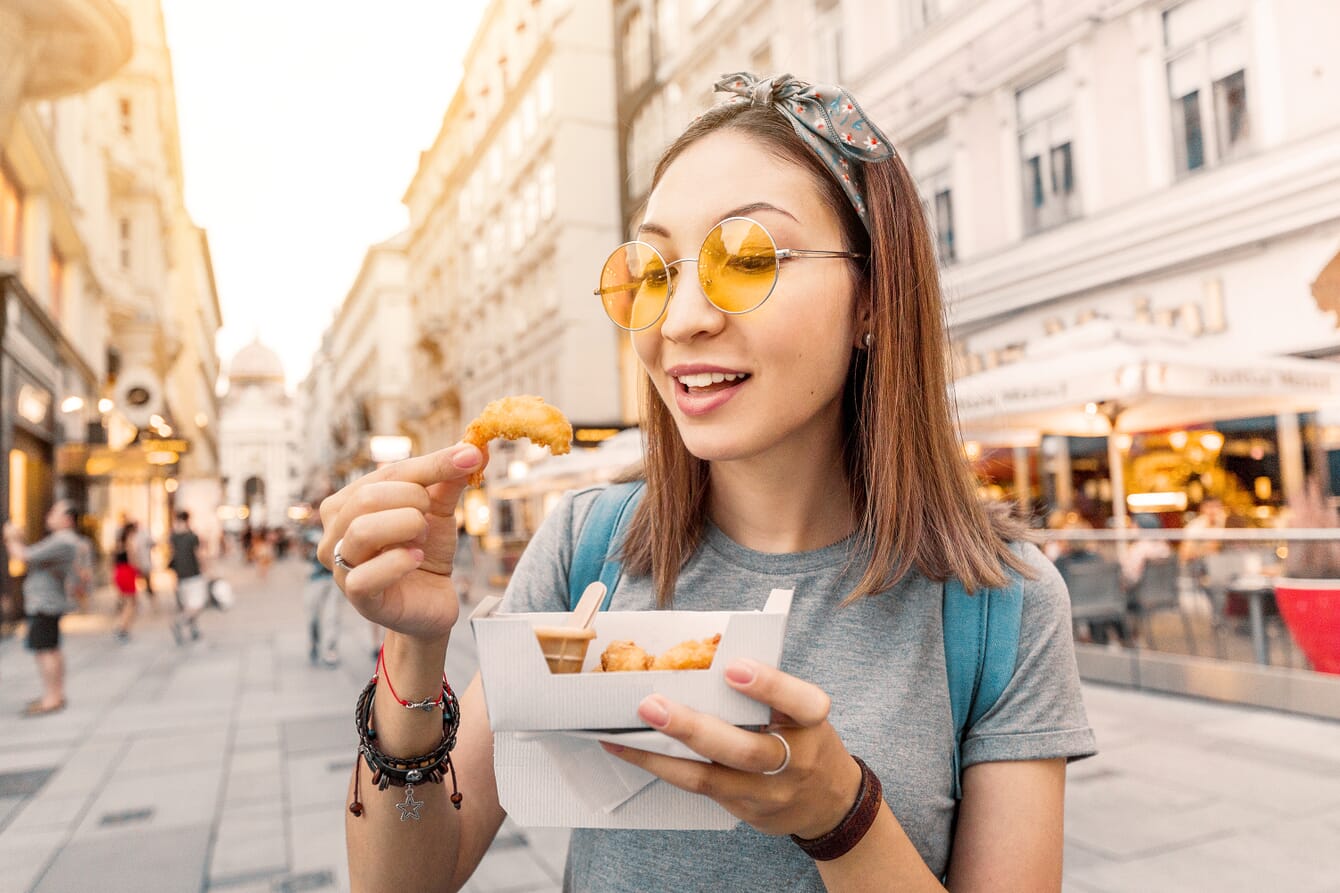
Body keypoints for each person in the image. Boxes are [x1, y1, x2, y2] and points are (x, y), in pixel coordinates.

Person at [321, 72, 1095, 890]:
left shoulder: (1002, 605)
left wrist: (841, 814)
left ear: (871, 294)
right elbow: (405, 881)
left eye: (748, 257)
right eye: (653, 271)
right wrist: (414, 647)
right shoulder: (589, 547)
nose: (682, 318)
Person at [3, 500, 82, 716]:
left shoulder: (63, 541)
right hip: (48, 602)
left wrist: (11, 536)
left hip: (44, 604)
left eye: (55, 512)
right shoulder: (63, 541)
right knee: (51, 649)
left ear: (67, 519)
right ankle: (55, 694)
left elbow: (23, 556)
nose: (49, 515)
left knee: (45, 651)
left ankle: (52, 698)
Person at [302, 517, 342, 667]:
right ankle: (314, 643)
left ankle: (330, 649)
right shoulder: (310, 532)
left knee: (332, 615)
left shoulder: (338, 528)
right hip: (315, 578)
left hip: (334, 578)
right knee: (313, 616)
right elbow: (304, 553)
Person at [168, 509, 208, 644]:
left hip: (180, 576)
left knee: (187, 605)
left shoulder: (173, 536)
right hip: (193, 574)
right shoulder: (192, 536)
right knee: (198, 604)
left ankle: (194, 630)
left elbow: (173, 555)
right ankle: (180, 623)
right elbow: (199, 554)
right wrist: (205, 568)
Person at [112, 520, 141, 640]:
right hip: (127, 572)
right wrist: (138, 570)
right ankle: (122, 628)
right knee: (131, 603)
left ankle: (122, 626)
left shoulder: (118, 543)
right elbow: (132, 559)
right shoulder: (129, 542)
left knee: (126, 602)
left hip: (119, 572)